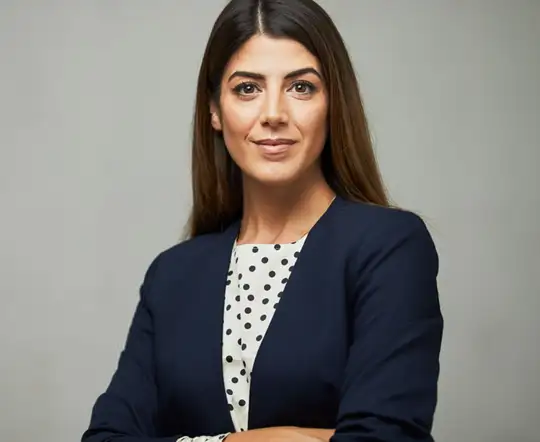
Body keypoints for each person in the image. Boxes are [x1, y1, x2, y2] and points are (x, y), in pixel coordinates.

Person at [81, 0, 443, 441]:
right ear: (215, 110)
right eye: (247, 89)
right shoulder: (172, 275)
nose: (273, 113)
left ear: (333, 104)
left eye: (302, 88)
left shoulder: (389, 249)